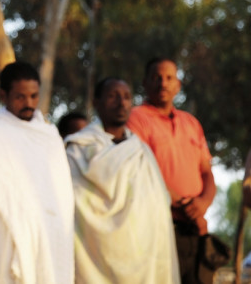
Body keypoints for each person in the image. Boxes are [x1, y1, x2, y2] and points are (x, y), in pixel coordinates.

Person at [0, 61, 74, 284]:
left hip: (50, 239)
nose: (29, 103)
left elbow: (61, 195)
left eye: (34, 96)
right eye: (20, 97)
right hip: (4, 239)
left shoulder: (49, 134)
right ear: (3, 95)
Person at [66, 77, 179, 283]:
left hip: (143, 259)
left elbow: (158, 205)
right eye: (112, 96)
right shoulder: (78, 150)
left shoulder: (141, 151)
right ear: (96, 102)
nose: (122, 103)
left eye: (127, 97)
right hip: (93, 257)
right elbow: (72, 203)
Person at [127, 58, 216, 284]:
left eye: (169, 78)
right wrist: (180, 204)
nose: (163, 83)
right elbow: (140, 170)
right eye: (157, 77)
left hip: (196, 228)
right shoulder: (136, 118)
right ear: (145, 83)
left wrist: (202, 204)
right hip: (158, 226)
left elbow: (206, 172)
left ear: (178, 85)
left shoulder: (191, 123)